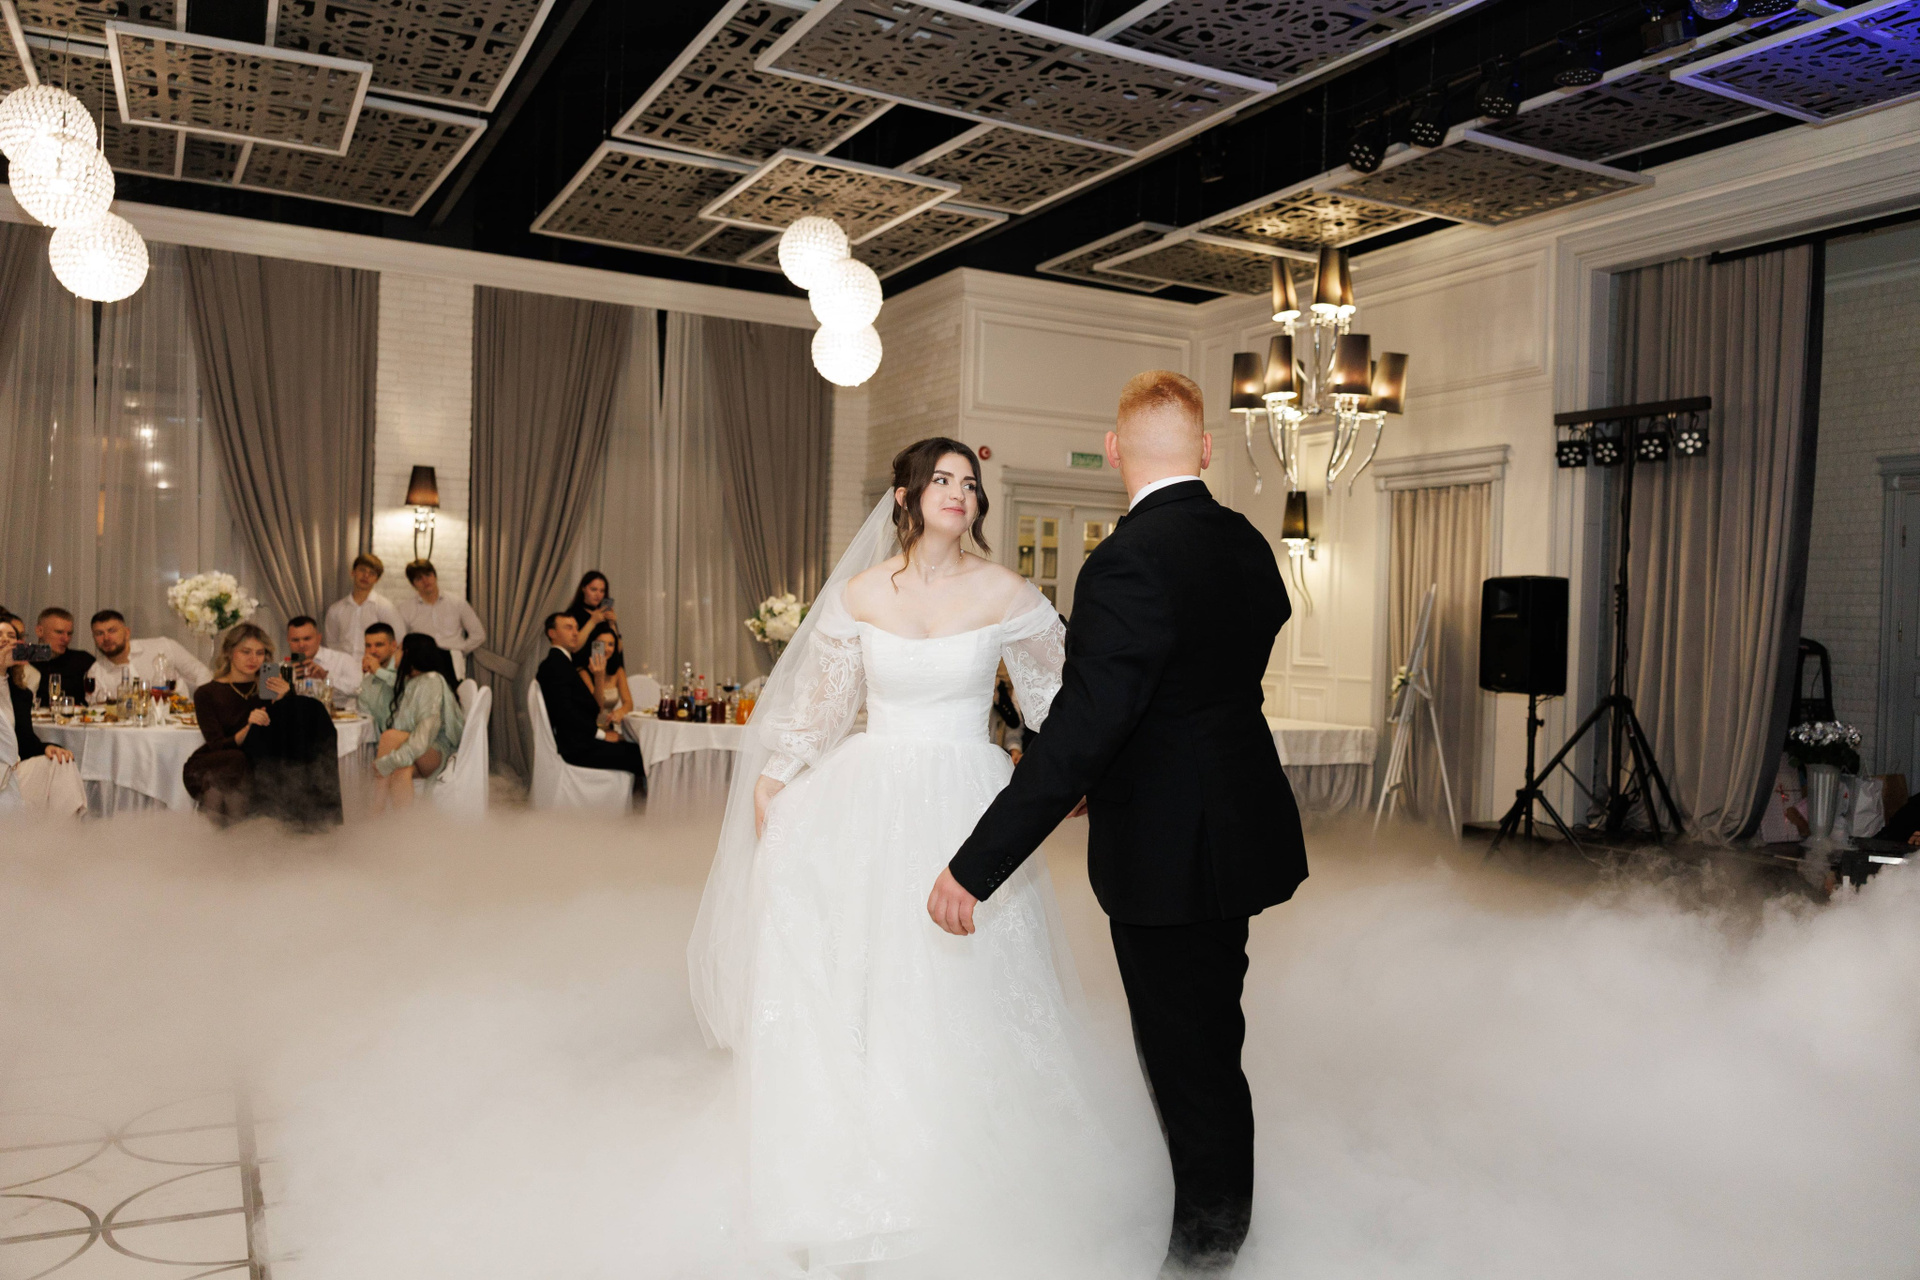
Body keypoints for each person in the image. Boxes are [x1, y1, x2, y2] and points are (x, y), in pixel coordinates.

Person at [689, 438, 1161, 1274]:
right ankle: (868, 1154)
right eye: (941, 480)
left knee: (971, 980)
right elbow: (825, 704)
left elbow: (1064, 700)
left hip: (967, 797)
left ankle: (967, 1152)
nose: (958, 492)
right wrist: (778, 777)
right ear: (905, 498)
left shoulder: (1007, 591)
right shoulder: (862, 593)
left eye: (969, 483)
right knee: (873, 973)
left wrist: (1079, 775)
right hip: (870, 797)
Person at [931, 371, 1307, 1277]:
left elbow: (1086, 730)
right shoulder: (1247, 542)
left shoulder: (1127, 560)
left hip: (1171, 850)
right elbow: (1207, 676)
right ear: (1206, 449)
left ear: (1112, 450)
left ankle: (1206, 1255)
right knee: (1209, 1041)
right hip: (1237, 826)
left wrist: (976, 866)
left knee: (1190, 1061)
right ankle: (1214, 1221)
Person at [184, 623, 342, 827]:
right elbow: (216, 744)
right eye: (246, 652)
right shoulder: (207, 693)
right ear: (229, 652)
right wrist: (248, 729)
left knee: (310, 707)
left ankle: (317, 821)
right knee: (236, 763)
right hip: (222, 756)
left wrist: (285, 699)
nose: (253, 659)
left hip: (263, 756)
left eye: (260, 653)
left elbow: (290, 735)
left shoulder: (270, 687)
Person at [535, 613, 644, 796]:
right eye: (568, 628)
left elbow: (591, 708)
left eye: (576, 628)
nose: (575, 633)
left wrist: (599, 676)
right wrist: (601, 735)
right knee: (642, 754)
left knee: (639, 750)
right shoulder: (555, 666)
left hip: (580, 741)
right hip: (577, 747)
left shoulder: (561, 663)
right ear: (552, 633)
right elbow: (565, 713)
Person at [0, 612, 85, 816]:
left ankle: (69, 831)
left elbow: (25, 741)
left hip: (11, 772)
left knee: (61, 762)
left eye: (11, 636)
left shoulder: (20, 693)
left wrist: (47, 748)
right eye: (0, 636)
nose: (5, 640)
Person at [372, 633, 465, 810]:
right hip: (421, 750)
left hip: (437, 752)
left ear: (408, 653)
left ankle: (376, 811)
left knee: (390, 737)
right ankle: (403, 823)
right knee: (401, 770)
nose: (395, 654)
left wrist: (389, 761)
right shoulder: (414, 681)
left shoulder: (431, 681)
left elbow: (426, 733)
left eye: (398, 649)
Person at [88, 610, 213, 700]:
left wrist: (203, 706)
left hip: (177, 721)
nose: (106, 638)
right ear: (93, 639)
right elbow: (97, 710)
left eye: (112, 631)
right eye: (99, 633)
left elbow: (201, 673)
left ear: (127, 633)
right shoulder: (96, 672)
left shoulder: (163, 646)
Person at [397, 560, 484, 680]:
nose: (425, 581)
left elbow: (478, 634)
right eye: (419, 578)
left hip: (452, 659)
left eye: (428, 575)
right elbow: (400, 640)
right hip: (422, 662)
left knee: (454, 691)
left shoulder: (457, 603)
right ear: (413, 584)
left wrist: (460, 650)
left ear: (435, 576)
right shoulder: (405, 608)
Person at [324, 553, 406, 653]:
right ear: (353, 572)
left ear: (377, 579)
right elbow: (331, 644)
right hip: (342, 662)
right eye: (362, 570)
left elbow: (399, 640)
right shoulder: (336, 609)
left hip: (374, 662)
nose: (366, 576)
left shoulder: (386, 608)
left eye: (372, 573)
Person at [28, 607, 96, 708]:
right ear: (39, 631)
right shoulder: (24, 657)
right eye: (59, 632)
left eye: (69, 633)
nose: (66, 638)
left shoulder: (82, 660)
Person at [576, 617, 633, 735]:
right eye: (601, 644)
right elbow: (597, 707)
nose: (607, 649)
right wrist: (599, 676)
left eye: (611, 644)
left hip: (609, 727)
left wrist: (619, 712)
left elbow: (629, 703)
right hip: (590, 729)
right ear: (593, 646)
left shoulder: (618, 671)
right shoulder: (583, 672)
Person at [286, 615, 363, 699]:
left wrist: (326, 677)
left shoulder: (343, 660)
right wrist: (288, 683)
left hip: (336, 707)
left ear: (319, 638)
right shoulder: (284, 668)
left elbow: (359, 689)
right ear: (288, 641)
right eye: (295, 640)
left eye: (307, 639)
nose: (301, 645)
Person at [357, 623, 401, 734]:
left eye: (379, 645)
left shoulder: (404, 670)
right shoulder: (367, 682)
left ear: (393, 646)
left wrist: (378, 671)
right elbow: (367, 720)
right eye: (368, 646)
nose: (372, 651)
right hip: (381, 741)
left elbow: (403, 686)